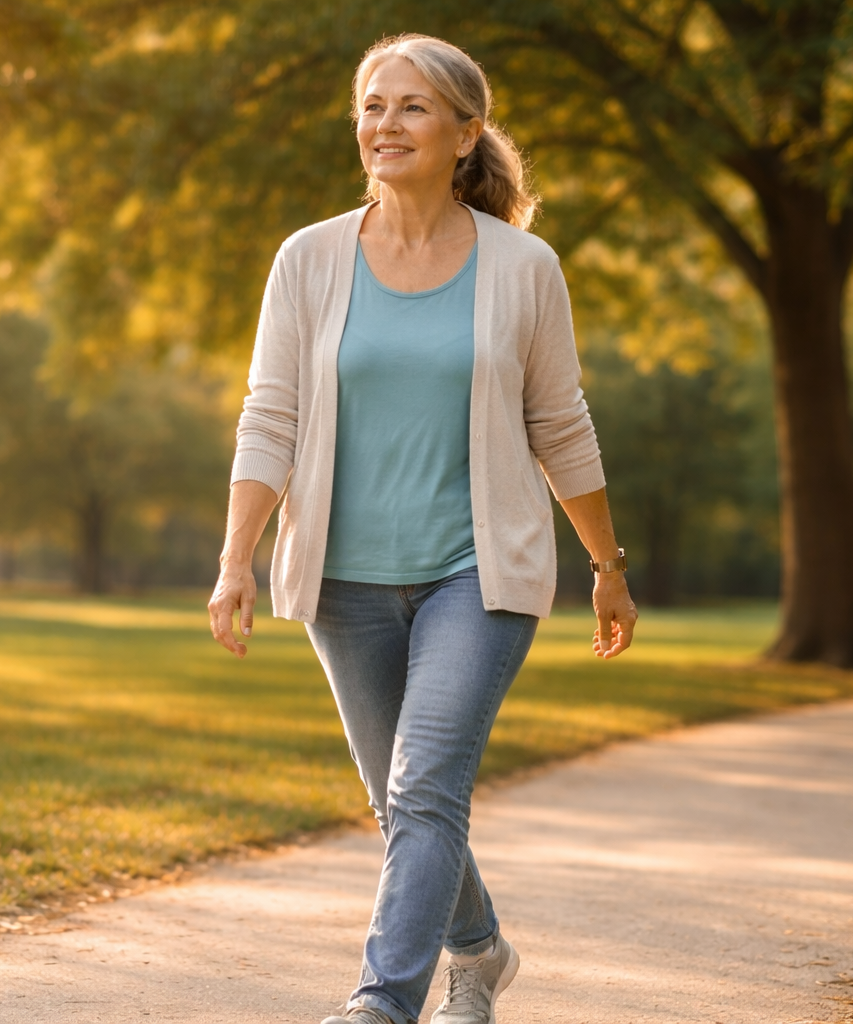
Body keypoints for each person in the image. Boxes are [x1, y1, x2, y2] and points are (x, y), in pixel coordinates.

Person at [207, 33, 638, 1024]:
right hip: (343, 578)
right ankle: (480, 952)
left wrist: (605, 562)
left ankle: (382, 1001)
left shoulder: (523, 266)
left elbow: (559, 422)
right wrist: (236, 556)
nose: (383, 125)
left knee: (428, 781)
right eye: (370, 105)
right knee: (401, 798)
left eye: (409, 107)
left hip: (477, 572)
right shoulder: (308, 258)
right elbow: (269, 413)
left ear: (464, 132)